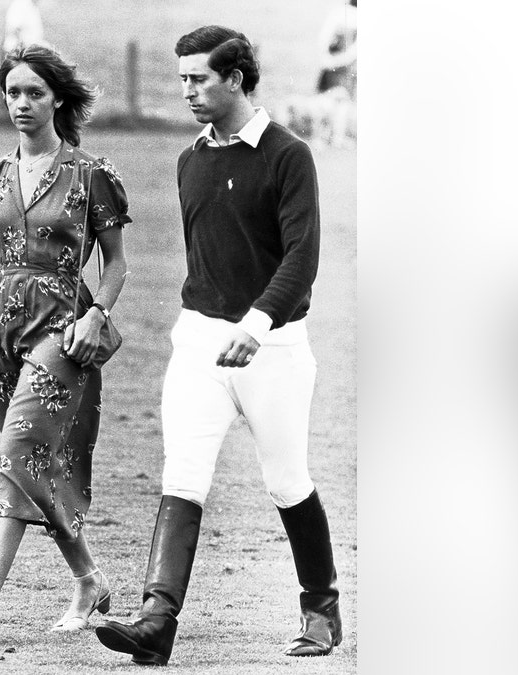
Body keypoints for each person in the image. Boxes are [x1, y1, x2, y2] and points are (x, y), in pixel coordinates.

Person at [94, 25, 341, 665]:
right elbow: (211, 262)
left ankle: (321, 612)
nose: (187, 92)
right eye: (182, 79)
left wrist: (256, 326)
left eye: (199, 78)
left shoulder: (289, 156)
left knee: (286, 480)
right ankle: (156, 622)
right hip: (199, 341)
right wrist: (208, 329)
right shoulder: (190, 161)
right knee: (183, 475)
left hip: (275, 347)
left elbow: (301, 258)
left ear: (235, 78)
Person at [0, 44, 131, 647]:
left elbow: (115, 265)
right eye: (12, 92)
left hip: (65, 331)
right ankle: (89, 579)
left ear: (57, 98)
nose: (21, 103)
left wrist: (98, 313)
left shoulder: (94, 176)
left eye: (34, 92)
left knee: (16, 451)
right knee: (32, 464)